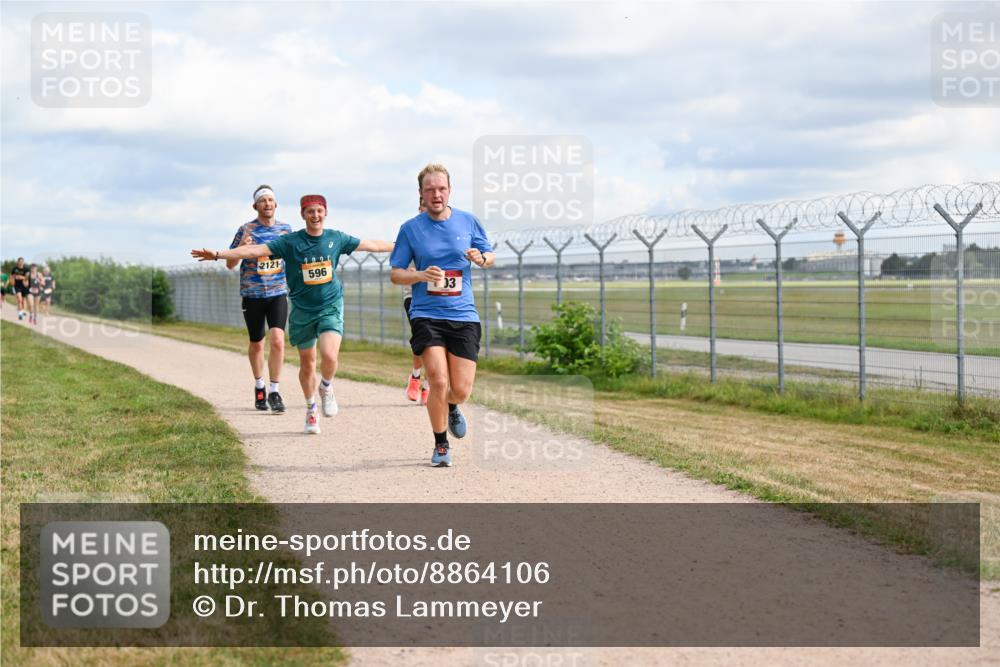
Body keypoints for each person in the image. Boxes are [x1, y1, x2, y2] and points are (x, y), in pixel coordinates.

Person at [193, 194, 393, 434]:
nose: (315, 216)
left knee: (329, 356)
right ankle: (311, 409)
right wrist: (217, 255)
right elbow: (254, 251)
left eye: (319, 211)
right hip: (302, 310)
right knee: (307, 363)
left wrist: (406, 247)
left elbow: (371, 245)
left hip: (330, 306)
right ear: (303, 215)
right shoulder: (290, 242)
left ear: (325, 213)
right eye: (310, 212)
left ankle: (327, 387)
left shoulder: (335, 238)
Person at [390, 164, 495, 467]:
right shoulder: (411, 228)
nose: (436, 194)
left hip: (463, 314)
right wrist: (420, 275)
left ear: (450, 190)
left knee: (459, 389)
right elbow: (396, 274)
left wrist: (481, 257)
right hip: (426, 314)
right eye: (430, 189)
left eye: (441, 188)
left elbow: (489, 255)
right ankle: (441, 445)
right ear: (421, 193)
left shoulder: (468, 222)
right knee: (437, 380)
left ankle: (452, 407)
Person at [227, 185, 292, 412]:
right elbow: (230, 263)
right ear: (255, 206)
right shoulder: (246, 230)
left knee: (277, 340)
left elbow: (292, 257)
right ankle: (259, 385)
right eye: (263, 201)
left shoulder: (286, 230)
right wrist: (241, 248)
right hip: (252, 294)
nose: (267, 204)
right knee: (257, 343)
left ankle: (274, 391)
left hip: (277, 293)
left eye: (271, 200)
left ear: (276, 204)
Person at [403, 198, 430, 405]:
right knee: (422, 341)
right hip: (413, 296)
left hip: (439, 295)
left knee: (437, 344)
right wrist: (411, 272)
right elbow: (398, 266)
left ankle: (428, 387)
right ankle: (415, 376)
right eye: (423, 205)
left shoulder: (447, 232)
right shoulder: (410, 232)